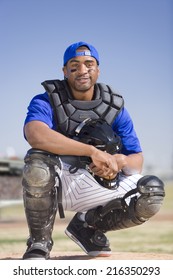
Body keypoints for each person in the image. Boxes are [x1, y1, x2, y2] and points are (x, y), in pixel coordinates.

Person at [22, 41, 165, 260]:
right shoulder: (47, 100)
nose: (82, 70)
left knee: (152, 192)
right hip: (61, 183)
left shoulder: (114, 107)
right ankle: (39, 242)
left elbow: (137, 159)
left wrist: (118, 162)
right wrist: (92, 152)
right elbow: (35, 134)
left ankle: (86, 226)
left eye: (89, 64)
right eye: (74, 64)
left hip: (100, 183)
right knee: (37, 164)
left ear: (98, 69)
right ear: (64, 70)